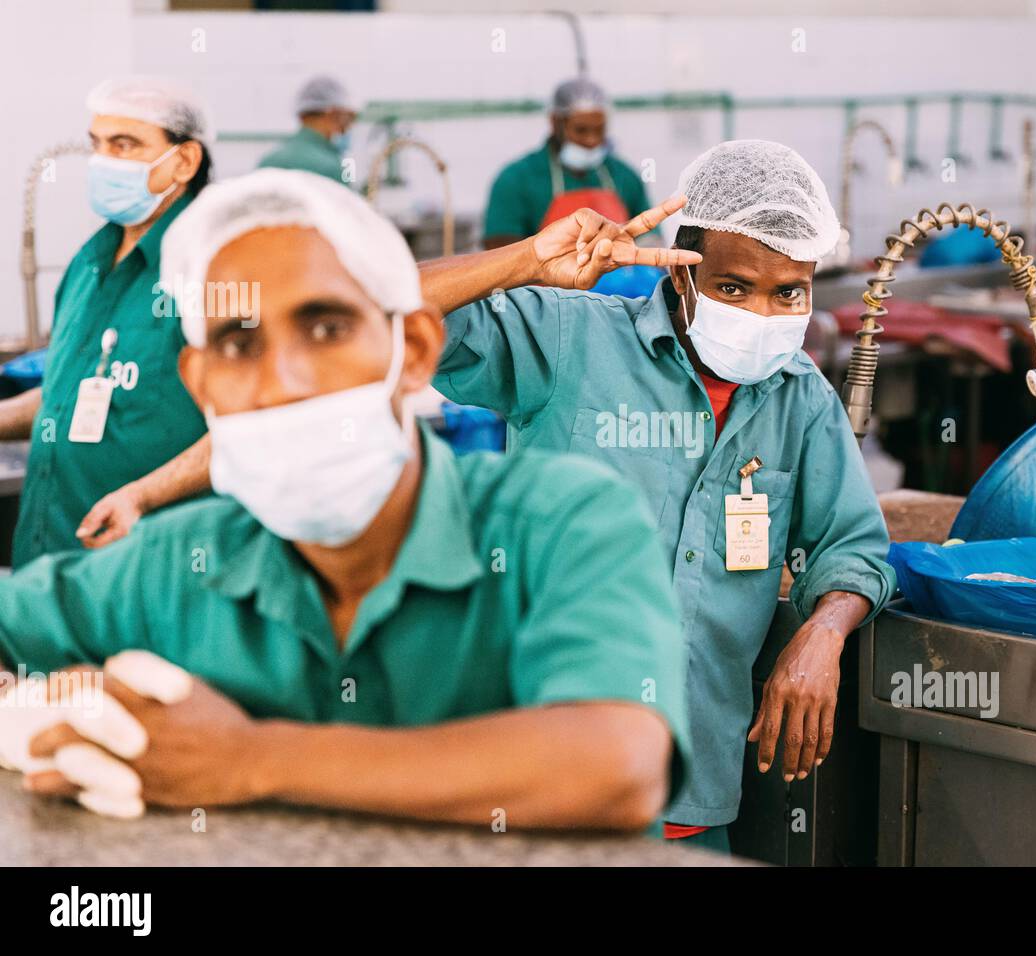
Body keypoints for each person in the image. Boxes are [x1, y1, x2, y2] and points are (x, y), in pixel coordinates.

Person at [0, 169, 689, 830]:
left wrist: (248, 760)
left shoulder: (560, 522)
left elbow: (616, 762)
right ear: (201, 382)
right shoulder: (179, 564)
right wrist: (30, 707)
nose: (286, 378)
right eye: (240, 345)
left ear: (413, 348)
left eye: (326, 329)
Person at [421, 139, 896, 852]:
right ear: (681, 276)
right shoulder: (567, 340)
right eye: (734, 287)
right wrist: (526, 263)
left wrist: (824, 632)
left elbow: (853, 546)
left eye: (787, 292)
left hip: (691, 789)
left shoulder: (800, 399)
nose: (763, 312)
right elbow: (373, 311)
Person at [0, 76, 213, 567]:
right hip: (51, 556)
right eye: (97, 144)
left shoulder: (215, 267)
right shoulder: (88, 262)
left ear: (184, 160)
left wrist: (143, 496)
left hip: (150, 567)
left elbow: (253, 428)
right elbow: (67, 392)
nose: (103, 161)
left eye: (126, 144)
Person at [482, 77, 651, 249]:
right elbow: (500, 253)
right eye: (581, 130)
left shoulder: (623, 176)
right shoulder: (516, 179)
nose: (591, 140)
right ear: (555, 123)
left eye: (599, 130)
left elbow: (649, 238)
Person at [258, 75, 356, 184]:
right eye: (346, 119)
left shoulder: (267, 163)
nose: (347, 128)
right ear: (332, 114)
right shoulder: (335, 169)